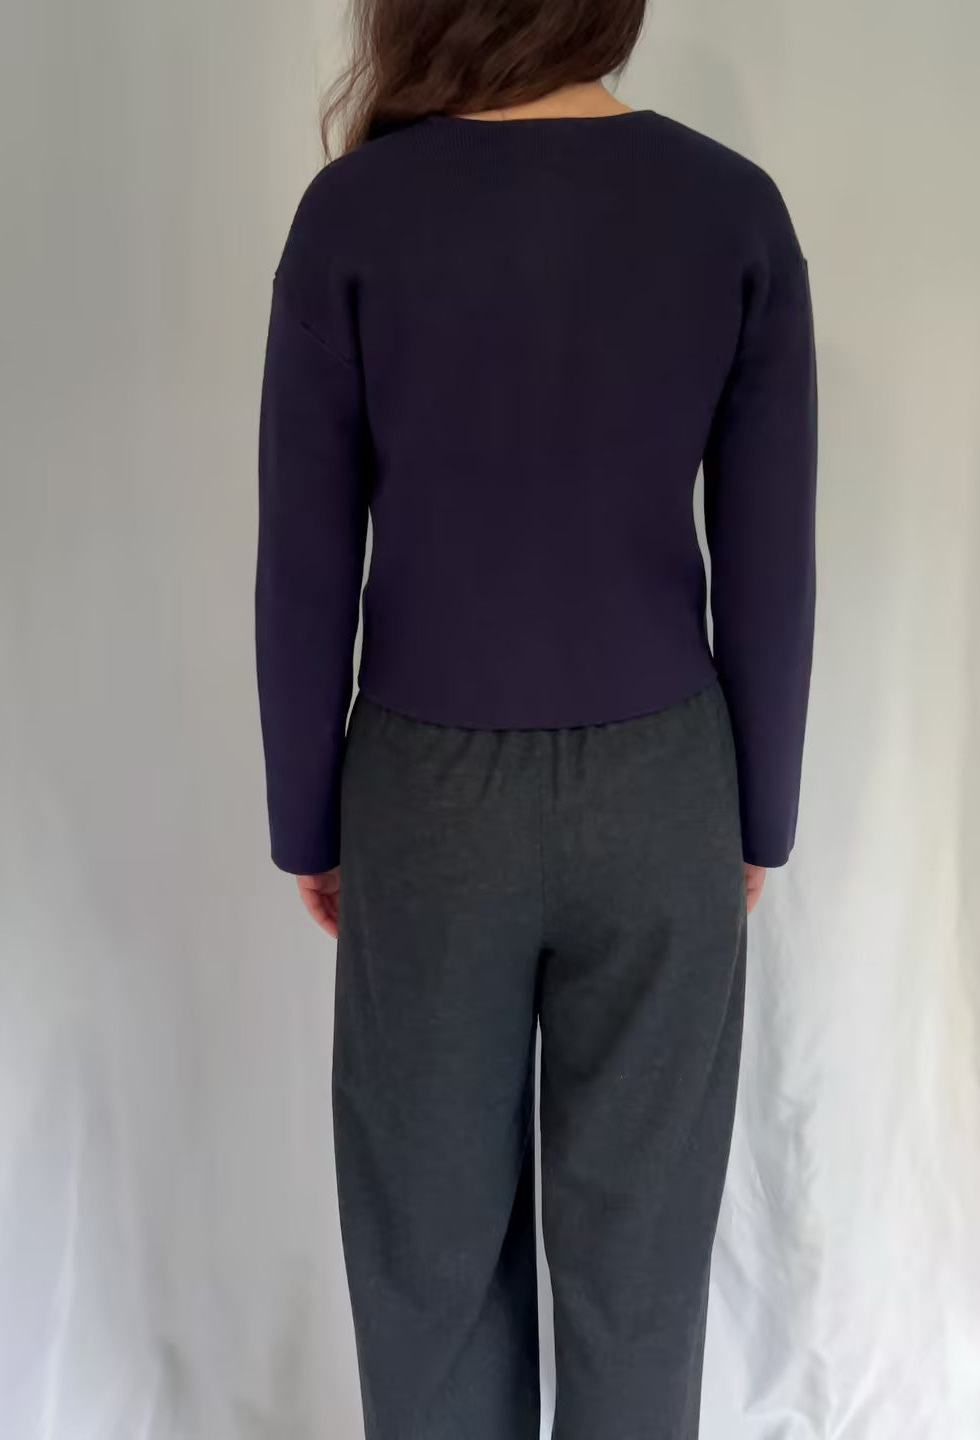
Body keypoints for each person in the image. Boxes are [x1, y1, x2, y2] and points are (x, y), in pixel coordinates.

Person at [254, 0, 817, 1434]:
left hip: (426, 798)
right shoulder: (731, 211)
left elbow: (305, 560)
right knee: (643, 1275)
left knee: (428, 1272)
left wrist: (309, 821)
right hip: (664, 784)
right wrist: (757, 815)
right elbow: (769, 556)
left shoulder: (355, 215)